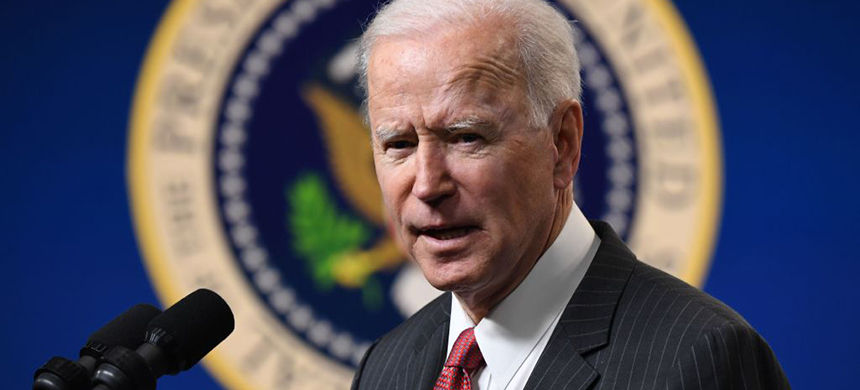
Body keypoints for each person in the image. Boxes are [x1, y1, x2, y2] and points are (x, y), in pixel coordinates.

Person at [351, 0, 789, 389]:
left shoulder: (699, 359)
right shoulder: (384, 369)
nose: (428, 185)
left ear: (562, 144)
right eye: (399, 145)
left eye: (466, 137)